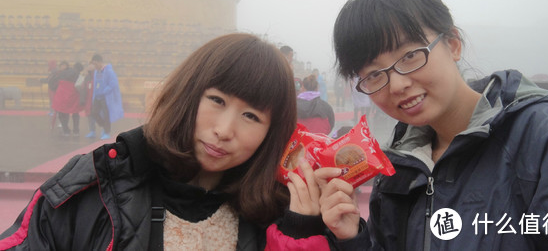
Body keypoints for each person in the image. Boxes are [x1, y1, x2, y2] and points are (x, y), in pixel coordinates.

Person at [318, 0, 548, 250]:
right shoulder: (398, 168)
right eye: (375, 74)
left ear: (452, 44)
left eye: (410, 56)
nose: (398, 85)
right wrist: (351, 238)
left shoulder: (547, 138)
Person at [0, 33, 337, 250]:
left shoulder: (281, 213)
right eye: (217, 100)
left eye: (251, 116)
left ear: (272, 131)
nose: (224, 130)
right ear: (189, 95)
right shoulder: (92, 189)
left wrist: (301, 232)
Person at [90, 53, 124, 140]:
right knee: (94, 112)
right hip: (97, 97)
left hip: (105, 97)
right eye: (93, 64)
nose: (95, 66)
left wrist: (104, 91)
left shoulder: (109, 71)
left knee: (106, 114)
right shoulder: (96, 72)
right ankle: (103, 125)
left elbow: (113, 83)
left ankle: (106, 132)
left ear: (100, 62)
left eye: (95, 64)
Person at [51, 62, 84, 136]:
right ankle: (76, 130)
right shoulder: (79, 76)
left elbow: (54, 84)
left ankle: (66, 130)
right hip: (74, 96)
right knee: (75, 113)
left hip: (61, 95)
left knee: (62, 113)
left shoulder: (62, 72)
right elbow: (79, 87)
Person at [76, 63, 97, 138]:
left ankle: (105, 131)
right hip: (88, 100)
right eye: (89, 70)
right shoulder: (87, 77)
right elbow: (82, 88)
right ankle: (92, 131)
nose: (90, 72)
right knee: (90, 116)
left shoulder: (98, 77)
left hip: (97, 100)